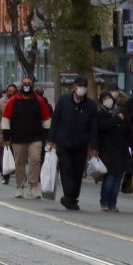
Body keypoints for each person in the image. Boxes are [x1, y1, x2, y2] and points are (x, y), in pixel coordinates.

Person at [47, 76, 99, 211]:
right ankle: (68, 195)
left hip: (81, 144)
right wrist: (51, 140)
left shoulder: (91, 106)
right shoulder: (64, 101)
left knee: (77, 173)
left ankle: (72, 198)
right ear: (74, 88)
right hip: (63, 143)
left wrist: (94, 147)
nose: (81, 89)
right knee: (67, 170)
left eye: (84, 86)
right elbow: (55, 121)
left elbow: (94, 128)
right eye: (79, 86)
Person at [1, 76, 51, 198]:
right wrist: (6, 138)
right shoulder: (13, 100)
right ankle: (20, 186)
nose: (27, 85)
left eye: (29, 83)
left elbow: (47, 119)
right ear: (21, 86)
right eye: (24, 83)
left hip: (35, 137)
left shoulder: (39, 101)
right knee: (20, 163)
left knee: (35, 160)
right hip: (18, 137)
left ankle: (34, 186)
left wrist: (48, 136)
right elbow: (6, 119)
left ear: (32, 85)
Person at [96, 90, 133, 212]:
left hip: (121, 150)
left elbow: (129, 130)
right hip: (107, 151)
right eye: (105, 98)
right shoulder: (101, 114)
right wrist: (116, 120)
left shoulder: (121, 112)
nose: (108, 100)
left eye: (109, 97)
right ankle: (105, 201)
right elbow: (103, 127)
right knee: (110, 177)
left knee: (118, 177)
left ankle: (113, 202)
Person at [0, 84, 16, 182]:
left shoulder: (20, 100)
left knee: (16, 154)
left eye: (13, 90)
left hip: (17, 132)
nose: (11, 92)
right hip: (4, 132)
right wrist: (0, 129)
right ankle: (5, 174)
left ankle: (18, 173)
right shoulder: (2, 102)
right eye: (9, 90)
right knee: (4, 153)